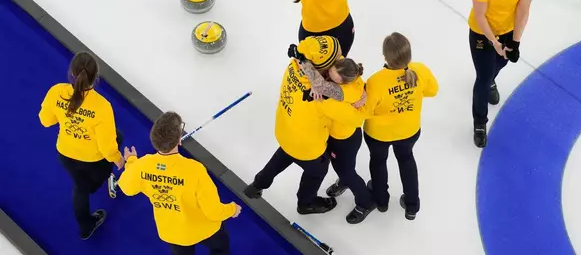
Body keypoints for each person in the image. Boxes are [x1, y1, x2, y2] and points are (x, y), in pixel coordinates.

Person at [243, 35, 368, 215]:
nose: (341, 57)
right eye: (336, 58)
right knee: (317, 171)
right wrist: (361, 99)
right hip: (308, 147)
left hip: (285, 129)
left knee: (285, 152)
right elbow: (356, 120)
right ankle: (306, 203)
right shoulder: (322, 98)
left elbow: (317, 67)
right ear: (323, 68)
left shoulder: (293, 65)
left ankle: (258, 184)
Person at [117, 111, 241, 255]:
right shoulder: (195, 170)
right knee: (220, 246)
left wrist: (131, 161)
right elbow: (213, 211)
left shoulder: (141, 165)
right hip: (204, 229)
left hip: (173, 231)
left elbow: (127, 188)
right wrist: (232, 209)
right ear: (179, 140)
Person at [38, 51, 125, 240]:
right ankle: (89, 201)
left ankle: (86, 221)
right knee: (117, 138)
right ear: (96, 77)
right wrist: (119, 159)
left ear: (71, 73)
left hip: (66, 154)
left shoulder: (56, 92)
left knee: (80, 187)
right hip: (93, 159)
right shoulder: (102, 106)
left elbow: (46, 120)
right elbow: (106, 147)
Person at [467, 0, 538, 148]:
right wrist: (494, 42)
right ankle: (479, 123)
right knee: (483, 77)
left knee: (502, 63)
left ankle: (492, 79)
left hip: (507, 29)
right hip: (482, 32)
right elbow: (480, 16)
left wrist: (515, 42)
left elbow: (523, 10)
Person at [363, 32, 439, 221]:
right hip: (409, 130)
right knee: (406, 160)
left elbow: (365, 110)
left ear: (385, 57)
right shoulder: (420, 70)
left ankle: (381, 201)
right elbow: (433, 90)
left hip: (378, 134)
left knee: (378, 162)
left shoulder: (375, 82)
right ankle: (412, 204)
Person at [298, 57, 375, 224]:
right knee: (345, 169)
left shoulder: (333, 103)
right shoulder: (352, 75)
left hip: (343, 141)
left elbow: (356, 119)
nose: (327, 77)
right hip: (339, 136)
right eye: (330, 71)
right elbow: (323, 80)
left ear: (342, 83)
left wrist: (317, 92)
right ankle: (344, 181)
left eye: (332, 78)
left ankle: (365, 201)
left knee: (346, 171)